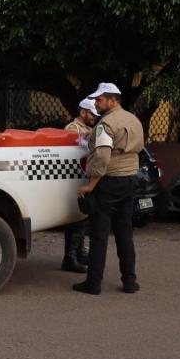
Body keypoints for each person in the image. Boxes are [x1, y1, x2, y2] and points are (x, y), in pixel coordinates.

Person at [74, 83, 144, 295]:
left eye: (100, 100)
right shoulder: (133, 119)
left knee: (99, 235)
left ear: (113, 100)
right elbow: (138, 148)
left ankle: (93, 284)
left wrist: (91, 185)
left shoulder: (106, 124)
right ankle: (130, 282)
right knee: (124, 233)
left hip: (108, 183)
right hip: (129, 181)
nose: (96, 103)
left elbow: (103, 157)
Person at [61, 98, 100, 273]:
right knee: (76, 219)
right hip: (73, 178)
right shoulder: (72, 129)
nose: (94, 117)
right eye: (92, 113)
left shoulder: (89, 129)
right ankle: (69, 258)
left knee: (83, 218)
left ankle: (78, 252)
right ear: (83, 112)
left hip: (83, 177)